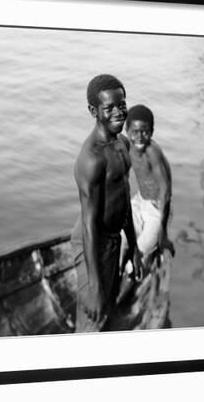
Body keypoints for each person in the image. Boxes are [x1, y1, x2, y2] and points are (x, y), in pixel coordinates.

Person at [71, 74, 143, 332]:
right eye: (108, 108)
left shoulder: (122, 144)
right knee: (93, 314)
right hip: (92, 240)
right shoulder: (91, 158)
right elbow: (90, 224)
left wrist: (133, 248)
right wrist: (94, 287)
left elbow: (123, 201)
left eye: (121, 105)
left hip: (113, 239)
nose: (118, 113)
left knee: (108, 308)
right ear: (93, 111)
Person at [122, 104, 175, 270]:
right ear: (126, 130)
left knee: (139, 253)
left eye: (144, 132)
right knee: (118, 241)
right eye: (134, 132)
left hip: (157, 208)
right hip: (139, 201)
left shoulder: (152, 153)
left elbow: (165, 193)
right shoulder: (127, 147)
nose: (139, 137)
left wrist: (163, 235)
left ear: (151, 132)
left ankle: (131, 276)